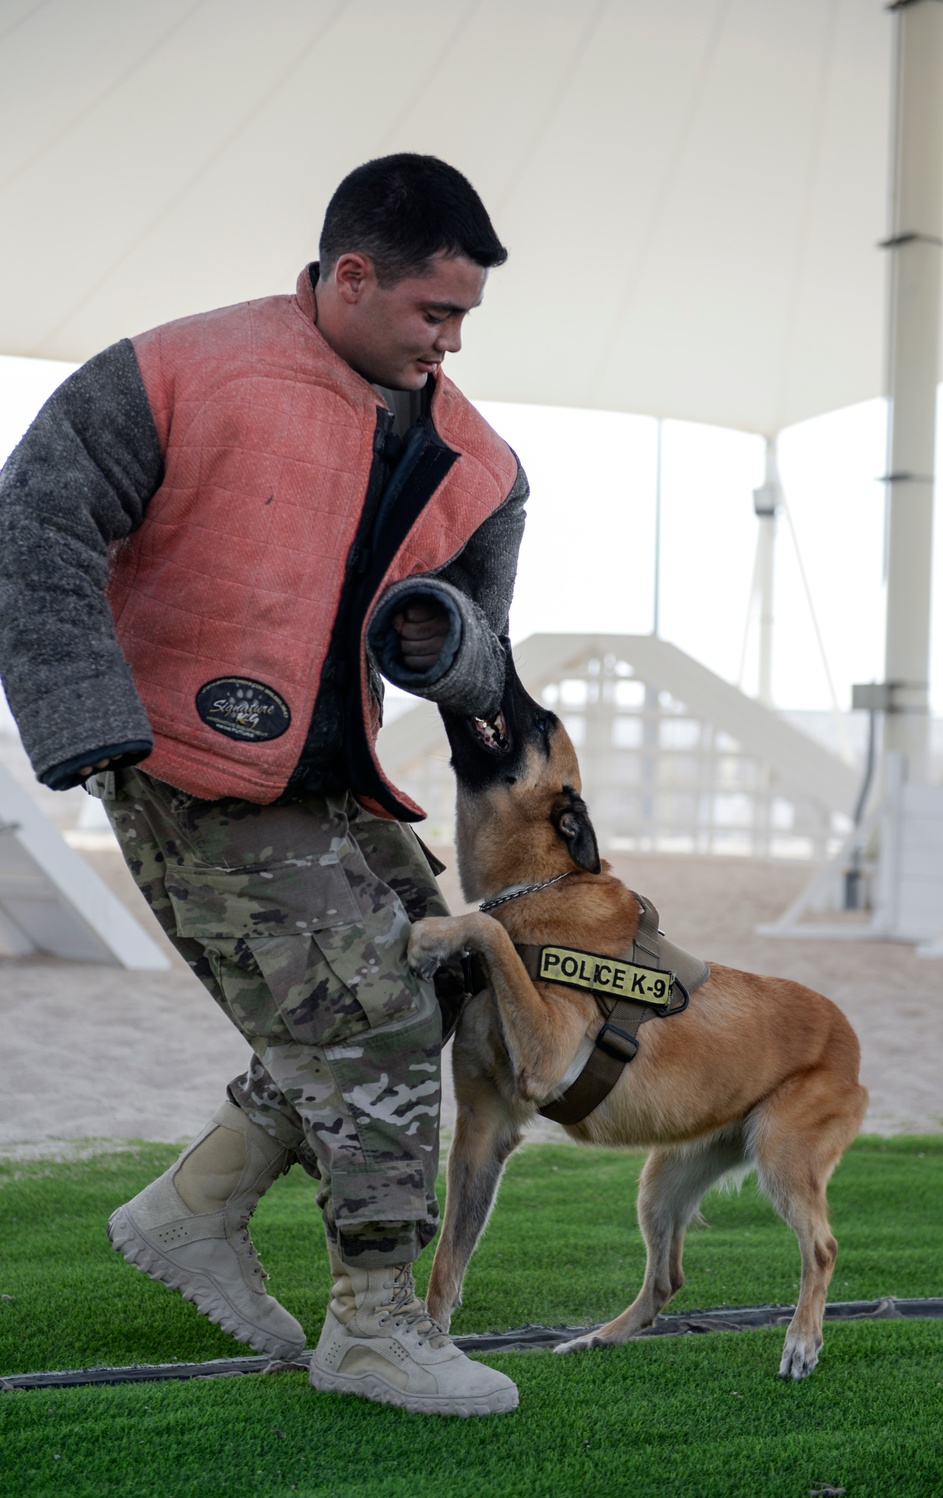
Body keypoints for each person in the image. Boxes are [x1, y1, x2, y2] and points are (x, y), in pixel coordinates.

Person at [0, 155, 528, 1417]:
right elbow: (33, 524)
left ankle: (196, 1207)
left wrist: (452, 647)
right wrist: (85, 719)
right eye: (432, 313)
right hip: (183, 763)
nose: (450, 343)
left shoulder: (481, 459)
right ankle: (374, 1329)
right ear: (352, 276)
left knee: (449, 971)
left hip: (336, 777)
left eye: (464, 320)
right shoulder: (176, 370)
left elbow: (487, 634)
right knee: (375, 1017)